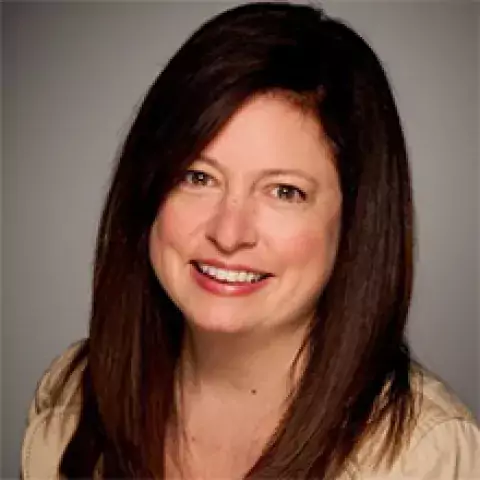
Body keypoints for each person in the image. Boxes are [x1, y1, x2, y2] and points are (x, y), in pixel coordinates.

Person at [21, 2, 480, 479]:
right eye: (197, 177)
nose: (228, 233)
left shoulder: (428, 457)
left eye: (285, 191)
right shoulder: (69, 402)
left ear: (356, 222)